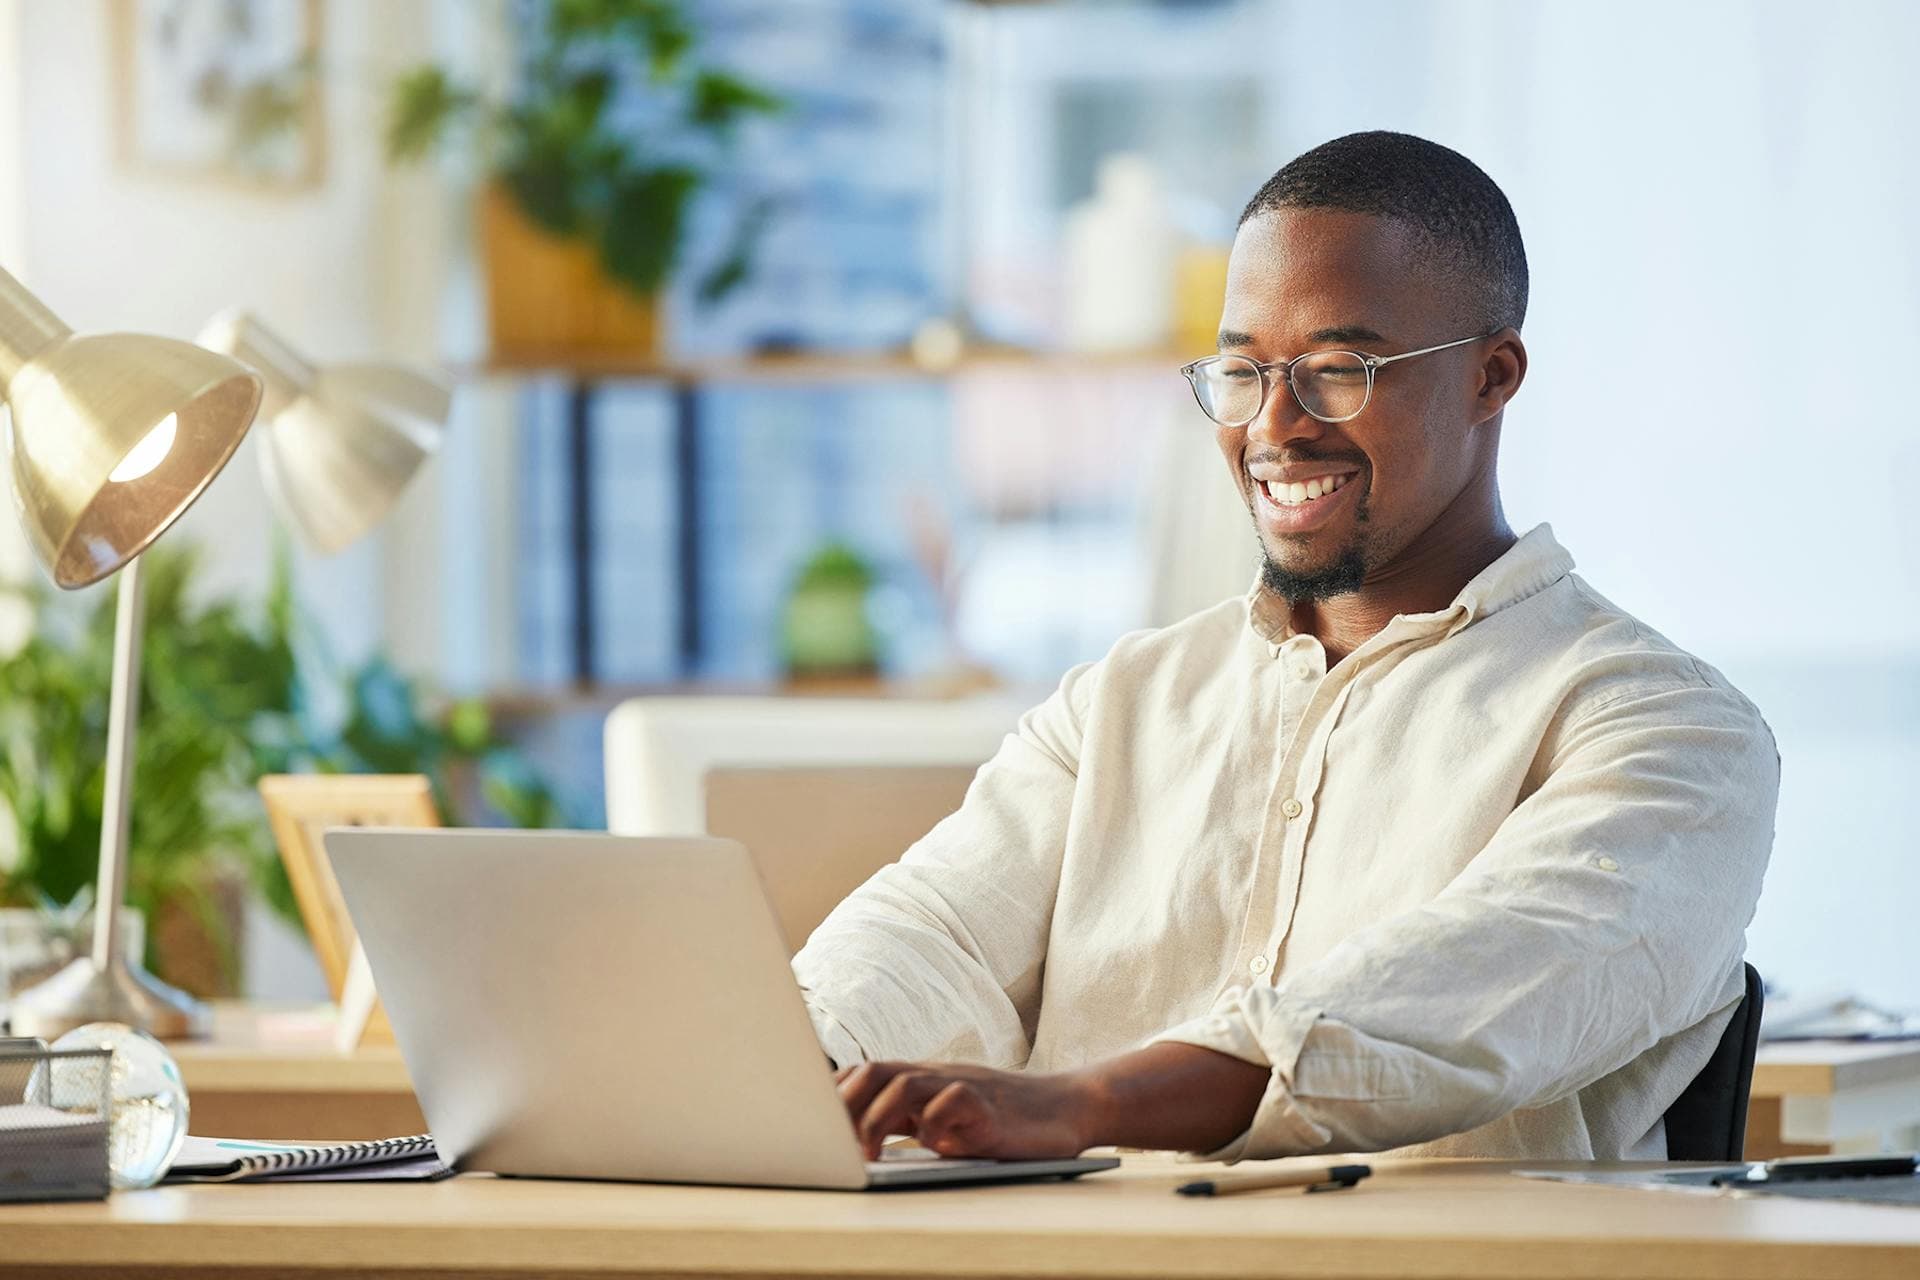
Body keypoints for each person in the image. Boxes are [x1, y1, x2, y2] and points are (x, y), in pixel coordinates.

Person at [793, 131, 1779, 1164]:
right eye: (1242, 369)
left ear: (1493, 376)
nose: (1274, 426)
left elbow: (1461, 989)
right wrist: (796, 1058)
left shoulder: (1670, 731)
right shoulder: (1125, 698)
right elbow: (933, 933)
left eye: (1339, 370)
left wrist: (1082, 1103)